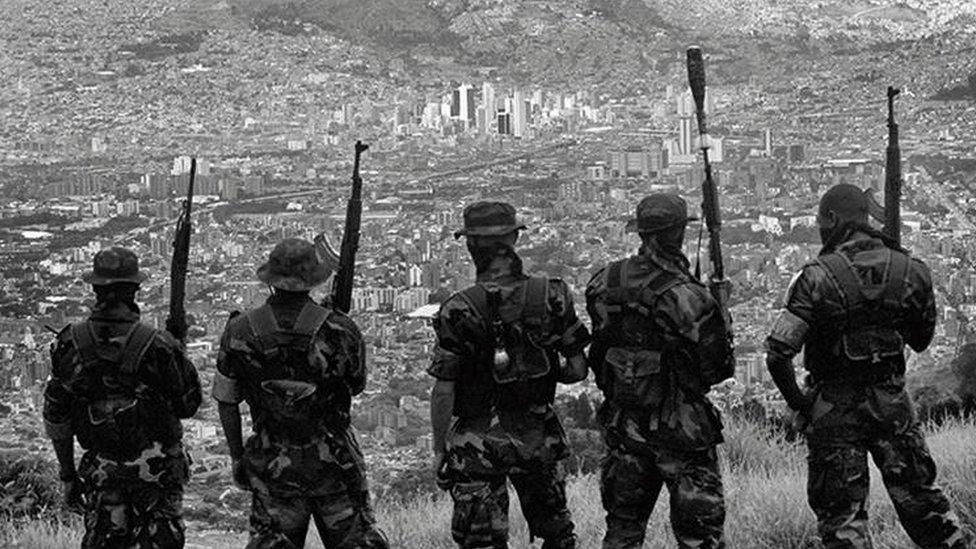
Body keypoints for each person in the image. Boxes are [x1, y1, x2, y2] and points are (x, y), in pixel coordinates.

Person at [765, 183, 970, 549]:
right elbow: (921, 340)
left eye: (819, 220)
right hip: (892, 403)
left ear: (831, 218)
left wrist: (802, 404)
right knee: (927, 509)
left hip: (833, 409)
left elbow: (778, 354)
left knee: (843, 525)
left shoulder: (815, 277)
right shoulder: (912, 270)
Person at [429, 201, 591, 549]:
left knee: (482, 542)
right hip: (538, 436)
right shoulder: (552, 294)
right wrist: (543, 371)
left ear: (470, 245)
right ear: (515, 240)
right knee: (558, 535)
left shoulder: (458, 308)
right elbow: (578, 370)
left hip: (476, 442)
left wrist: (439, 447)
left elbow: (444, 390)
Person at [213, 238, 388, 549]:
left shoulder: (239, 330)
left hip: (272, 463)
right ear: (313, 280)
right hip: (335, 462)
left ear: (271, 282)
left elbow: (226, 400)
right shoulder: (340, 329)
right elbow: (356, 385)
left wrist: (238, 457)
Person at [586, 194, 734, 549]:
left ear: (642, 232)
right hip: (682, 427)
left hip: (624, 424)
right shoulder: (688, 296)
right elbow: (718, 367)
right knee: (700, 537)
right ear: (680, 233)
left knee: (622, 531)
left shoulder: (604, 282)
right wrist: (721, 312)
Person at [44, 246, 202, 548]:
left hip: (103, 470)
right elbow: (187, 405)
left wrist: (67, 475)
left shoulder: (69, 345)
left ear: (94, 288)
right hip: (157, 471)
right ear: (135, 289)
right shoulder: (159, 345)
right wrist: (180, 348)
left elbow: (56, 416)